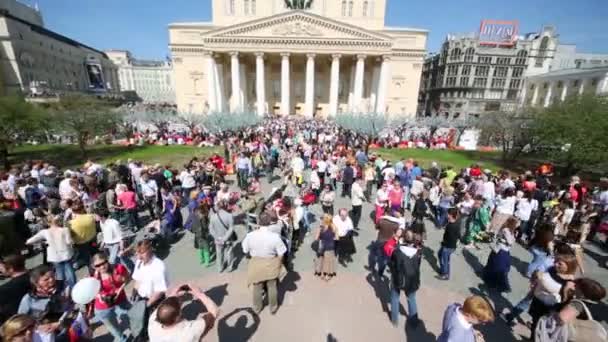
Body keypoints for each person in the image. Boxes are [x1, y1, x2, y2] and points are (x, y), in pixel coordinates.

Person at [241, 213, 287, 314]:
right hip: (271, 263)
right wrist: (279, 264)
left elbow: (245, 250)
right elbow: (281, 252)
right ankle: (273, 307)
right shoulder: (274, 237)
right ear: (270, 222)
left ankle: (257, 308)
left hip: (256, 263)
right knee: (272, 286)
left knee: (257, 287)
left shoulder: (250, 235)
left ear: (258, 222)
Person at [148, 283, 219, 342]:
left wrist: (173, 294)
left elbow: (164, 307)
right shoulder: (188, 332)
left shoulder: (153, 325)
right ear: (177, 317)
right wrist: (199, 294)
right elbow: (214, 311)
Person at [18, 265, 72, 342]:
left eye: (53, 276)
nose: (52, 280)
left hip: (64, 327)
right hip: (43, 334)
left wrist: (59, 323)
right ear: (36, 283)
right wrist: (36, 327)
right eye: (46, 279)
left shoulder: (64, 287)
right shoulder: (28, 299)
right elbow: (21, 320)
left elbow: (71, 306)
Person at [25, 215, 76, 288]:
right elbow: (69, 242)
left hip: (54, 256)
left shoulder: (44, 232)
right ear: (58, 221)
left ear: (48, 223)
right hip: (66, 254)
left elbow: (29, 241)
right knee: (70, 273)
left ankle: (61, 288)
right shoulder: (65, 230)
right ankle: (73, 288)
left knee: (59, 274)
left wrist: (43, 243)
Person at [92, 253, 131, 342]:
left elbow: (128, 278)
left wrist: (120, 289)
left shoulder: (119, 268)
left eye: (103, 263)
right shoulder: (93, 277)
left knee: (131, 318)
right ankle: (122, 339)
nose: (101, 267)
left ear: (107, 260)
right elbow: (94, 292)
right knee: (113, 327)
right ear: (94, 267)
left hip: (121, 300)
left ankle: (139, 333)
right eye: (98, 265)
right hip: (103, 307)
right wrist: (100, 297)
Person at [389, 230, 422, 328]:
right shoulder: (418, 253)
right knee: (411, 299)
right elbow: (418, 265)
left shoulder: (397, 251)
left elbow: (391, 263)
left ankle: (395, 320)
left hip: (398, 278)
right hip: (412, 279)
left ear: (403, 238)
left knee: (395, 298)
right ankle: (414, 322)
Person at [483, 217, 517, 292]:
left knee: (494, 265)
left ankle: (491, 280)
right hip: (501, 250)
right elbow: (511, 242)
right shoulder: (506, 230)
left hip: (501, 250)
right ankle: (495, 283)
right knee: (498, 267)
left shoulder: (508, 230)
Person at [0, 255, 31, 325]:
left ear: (11, 269)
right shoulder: (37, 277)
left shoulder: (5, 289)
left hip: (19, 324)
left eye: (1, 267)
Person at [209, 200, 236, 273]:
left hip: (218, 239)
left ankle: (220, 268)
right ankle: (230, 267)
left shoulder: (213, 217)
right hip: (227, 239)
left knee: (219, 254)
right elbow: (231, 228)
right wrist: (225, 238)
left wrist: (217, 237)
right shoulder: (229, 215)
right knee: (229, 252)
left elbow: (211, 229)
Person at [437, 208, 460, 280]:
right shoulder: (454, 223)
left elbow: (451, 237)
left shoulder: (451, 226)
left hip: (448, 246)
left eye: (447, 214)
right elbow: (458, 235)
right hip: (449, 245)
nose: (446, 215)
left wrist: (444, 244)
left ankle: (445, 274)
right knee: (441, 255)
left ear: (450, 215)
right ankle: (444, 270)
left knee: (445, 260)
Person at [314, 214, 337, 281]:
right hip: (327, 245)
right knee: (326, 260)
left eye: (322, 219)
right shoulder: (331, 226)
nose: (321, 220)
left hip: (325, 246)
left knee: (324, 260)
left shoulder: (326, 227)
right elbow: (335, 235)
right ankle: (325, 274)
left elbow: (316, 238)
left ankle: (324, 274)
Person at [192, 202, 212, 267]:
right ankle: (207, 262)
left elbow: (193, 226)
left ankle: (201, 259)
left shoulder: (195, 215)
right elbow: (205, 227)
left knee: (200, 247)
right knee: (206, 248)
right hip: (203, 234)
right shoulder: (203, 217)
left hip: (197, 234)